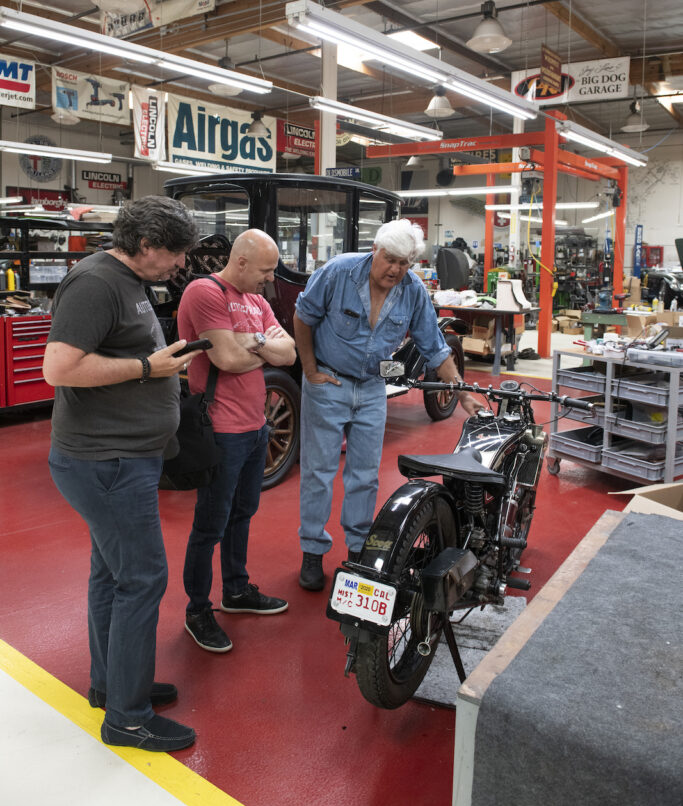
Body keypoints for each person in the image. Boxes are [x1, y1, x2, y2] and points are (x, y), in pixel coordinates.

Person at [43, 195, 201, 753]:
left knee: (112, 575)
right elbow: (57, 368)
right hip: (105, 461)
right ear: (147, 244)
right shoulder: (96, 283)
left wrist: (158, 367)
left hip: (121, 458)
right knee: (141, 579)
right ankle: (128, 719)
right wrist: (145, 368)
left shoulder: (128, 280)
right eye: (176, 253)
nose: (181, 264)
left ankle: (113, 685)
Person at [294, 218, 480, 591]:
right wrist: (311, 369)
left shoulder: (412, 290)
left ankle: (359, 550)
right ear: (375, 250)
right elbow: (303, 316)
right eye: (390, 259)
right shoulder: (338, 272)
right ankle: (312, 552)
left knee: (364, 475)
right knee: (319, 472)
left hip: (372, 388)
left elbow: (433, 344)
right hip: (328, 383)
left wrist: (460, 392)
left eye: (404, 263)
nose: (395, 269)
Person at [178, 229, 296, 652]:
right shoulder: (204, 292)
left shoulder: (258, 301)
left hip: (255, 426)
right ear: (242, 262)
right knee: (210, 523)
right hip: (221, 429)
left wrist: (255, 341)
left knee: (242, 513)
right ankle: (197, 610)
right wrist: (263, 346)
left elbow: (291, 352)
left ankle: (236, 589)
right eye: (265, 270)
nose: (269, 279)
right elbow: (224, 359)